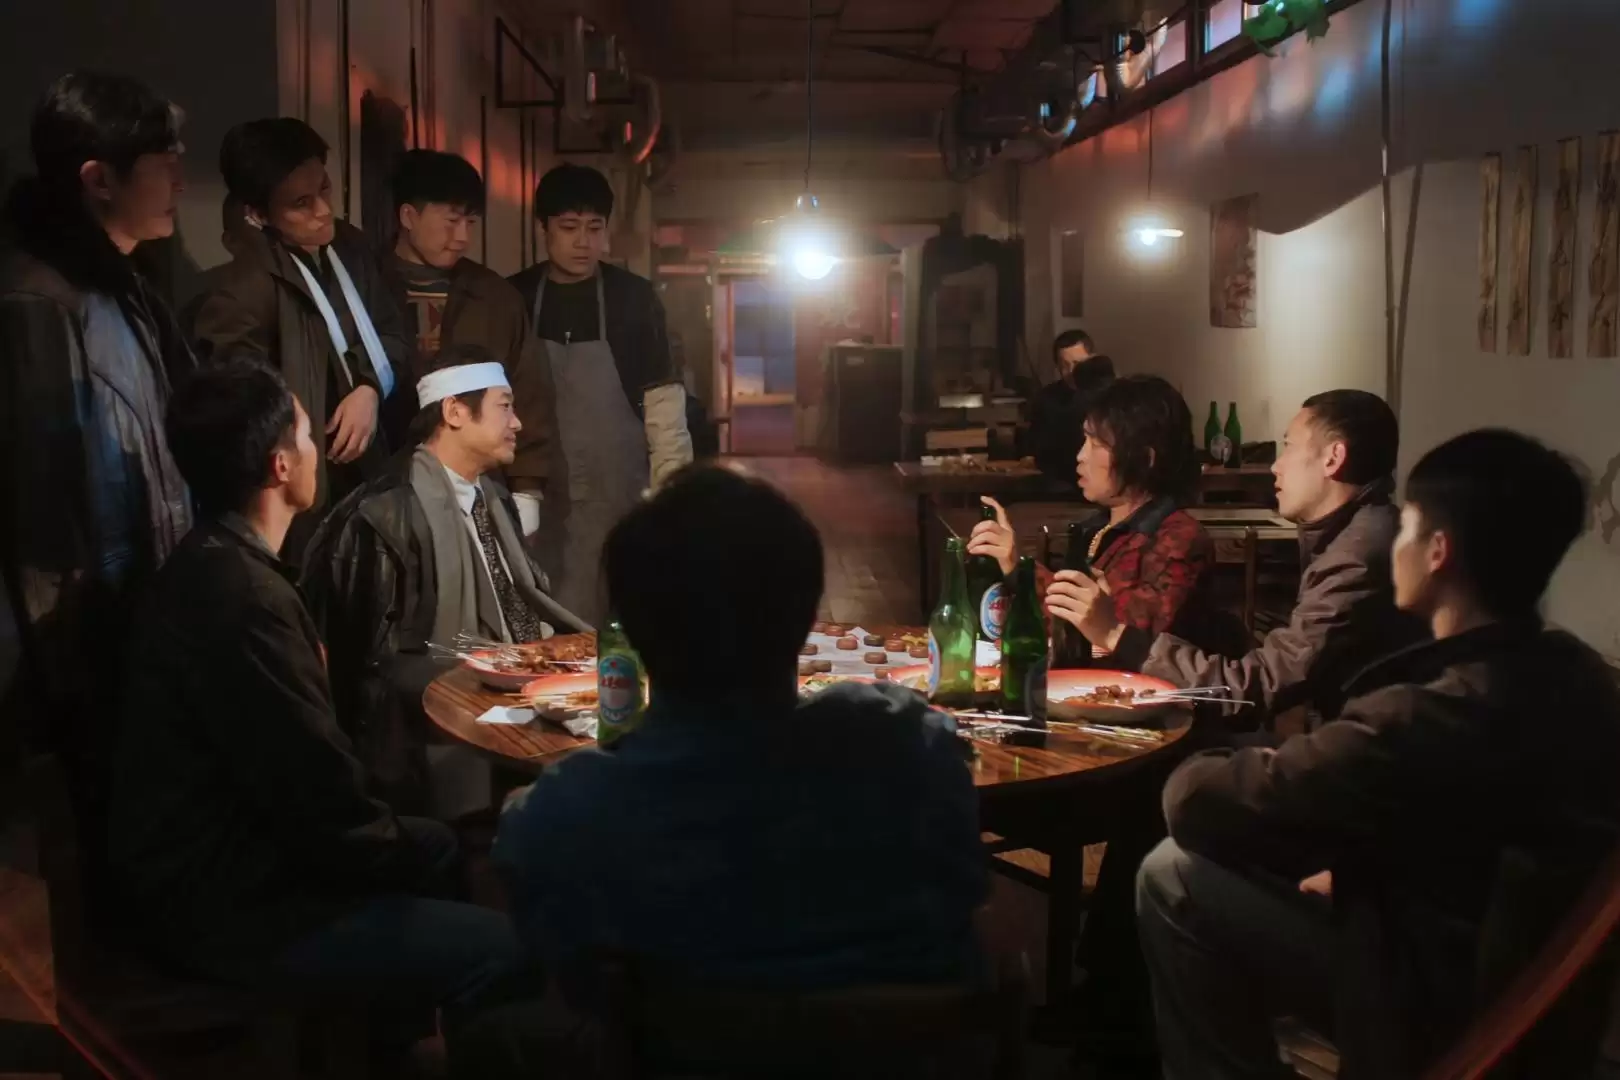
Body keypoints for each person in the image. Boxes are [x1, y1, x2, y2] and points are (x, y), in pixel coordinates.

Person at [1137, 429, 1620, 1079]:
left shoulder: (1429, 713)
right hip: (1532, 998)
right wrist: (1356, 863)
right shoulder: (1583, 677)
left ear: (1438, 552)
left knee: (1172, 874)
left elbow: (1197, 802)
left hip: (1434, 1000)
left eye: (1408, 526)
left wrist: (1202, 757)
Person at [108, 359, 528, 1069]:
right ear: (281, 466)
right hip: (233, 901)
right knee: (503, 944)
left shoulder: (217, 561)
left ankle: (390, 1044)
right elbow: (316, 794)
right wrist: (385, 834)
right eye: (306, 435)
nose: (317, 450)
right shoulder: (246, 600)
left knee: (434, 844)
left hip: (236, 858)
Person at [493, 464, 987, 993]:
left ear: (630, 630)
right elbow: (965, 891)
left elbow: (557, 953)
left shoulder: (566, 815)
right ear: (806, 617)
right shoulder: (911, 751)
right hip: (903, 1038)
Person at [0, 72, 193, 836]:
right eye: (164, 162)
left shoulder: (122, 280)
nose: (180, 179)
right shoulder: (39, 299)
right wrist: (67, 674)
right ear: (98, 180)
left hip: (142, 615)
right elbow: (42, 522)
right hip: (91, 639)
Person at [302, 345, 582, 817]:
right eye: (505, 406)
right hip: (433, 737)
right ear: (454, 412)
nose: (517, 423)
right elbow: (371, 673)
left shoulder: (494, 498)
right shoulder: (385, 515)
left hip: (515, 697)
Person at [1111, 389, 1425, 722]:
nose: (1276, 466)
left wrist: (1120, 638)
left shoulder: (1358, 554)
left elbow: (1262, 684)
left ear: (1333, 458)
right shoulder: (1358, 531)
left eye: (1289, 446)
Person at [187, 117, 411, 562]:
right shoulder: (243, 288)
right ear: (257, 214)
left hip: (371, 472)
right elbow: (241, 407)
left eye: (324, 189)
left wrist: (368, 387)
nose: (323, 211)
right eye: (301, 203)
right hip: (303, 497)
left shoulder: (349, 248)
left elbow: (394, 331)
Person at [509, 163, 693, 627]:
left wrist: (672, 499)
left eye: (594, 228)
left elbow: (665, 409)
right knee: (542, 627)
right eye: (569, 227)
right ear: (543, 228)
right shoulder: (515, 297)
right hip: (536, 496)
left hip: (620, 496)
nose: (583, 242)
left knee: (623, 622)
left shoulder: (634, 298)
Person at [971, 374, 1229, 656]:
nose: (1081, 456)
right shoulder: (1095, 529)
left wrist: (1019, 567)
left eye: (1097, 444)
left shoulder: (1179, 539)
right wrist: (1012, 563)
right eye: (1085, 440)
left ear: (1145, 459)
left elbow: (1123, 638)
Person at [383, 149, 552, 515]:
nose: (462, 237)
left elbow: (528, 393)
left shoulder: (495, 297)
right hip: (378, 482)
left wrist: (527, 490)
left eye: (470, 223)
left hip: (477, 491)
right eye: (451, 221)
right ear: (408, 216)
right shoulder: (364, 285)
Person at [1028, 328, 1116, 486]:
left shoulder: (1110, 396)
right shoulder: (1046, 399)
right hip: (1059, 483)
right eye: (1064, 366)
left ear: (1091, 359)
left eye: (1077, 363)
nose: (1071, 371)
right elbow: (1037, 448)